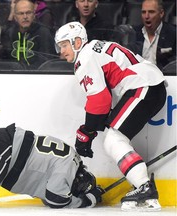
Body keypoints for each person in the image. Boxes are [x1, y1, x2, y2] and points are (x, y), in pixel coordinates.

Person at [54, 22, 167, 211]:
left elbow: (100, 99)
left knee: (113, 140)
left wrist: (86, 132)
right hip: (149, 86)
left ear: (78, 41)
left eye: (65, 45)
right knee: (114, 137)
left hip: (142, 87)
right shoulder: (95, 47)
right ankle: (143, 186)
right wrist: (90, 130)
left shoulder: (85, 57)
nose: (61, 51)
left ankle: (144, 187)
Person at [1, 0, 56, 69]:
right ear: (15, 17)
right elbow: (3, 62)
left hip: (37, 75)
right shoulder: (9, 33)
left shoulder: (44, 32)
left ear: (34, 14)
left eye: (28, 13)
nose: (25, 17)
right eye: (21, 13)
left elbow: (47, 62)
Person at [133, 0, 176, 70]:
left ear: (161, 13)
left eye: (151, 12)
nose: (146, 16)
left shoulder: (173, 34)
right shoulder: (134, 33)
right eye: (144, 12)